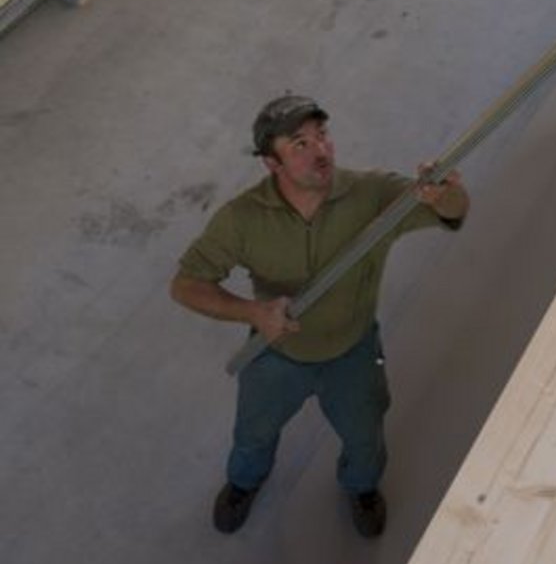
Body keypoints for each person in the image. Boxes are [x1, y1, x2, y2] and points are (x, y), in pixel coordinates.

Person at [171, 95, 468, 538]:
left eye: (322, 136)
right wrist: (254, 311)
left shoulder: (372, 194)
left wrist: (447, 194)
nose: (321, 151)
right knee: (253, 430)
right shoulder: (242, 219)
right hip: (276, 351)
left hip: (353, 349)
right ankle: (244, 482)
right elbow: (186, 284)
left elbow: (452, 212)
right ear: (272, 164)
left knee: (366, 435)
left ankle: (361, 487)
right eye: (299, 145)